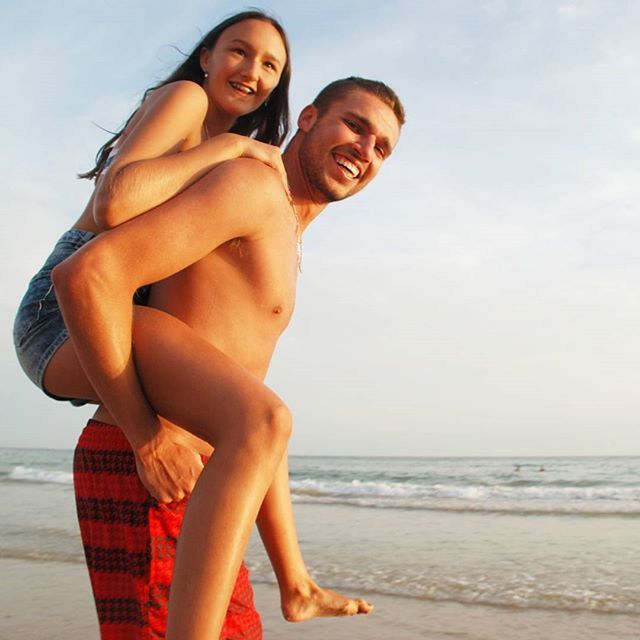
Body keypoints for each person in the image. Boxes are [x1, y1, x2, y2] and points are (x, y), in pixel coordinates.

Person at [13, 11, 374, 636]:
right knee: (264, 417)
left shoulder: (243, 196)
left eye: (270, 67)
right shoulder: (186, 105)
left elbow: (247, 398)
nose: (253, 72)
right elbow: (113, 205)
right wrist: (147, 434)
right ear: (206, 55)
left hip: (117, 310)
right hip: (56, 311)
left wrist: (292, 574)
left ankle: (295, 586)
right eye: (240, 51)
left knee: (257, 412)